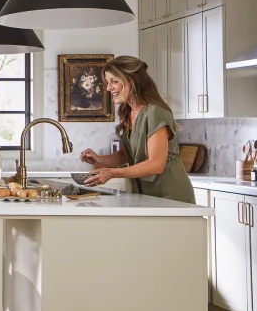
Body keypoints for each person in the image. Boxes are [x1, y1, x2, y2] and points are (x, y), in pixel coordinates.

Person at [80, 55, 195, 204]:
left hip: (171, 194)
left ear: (132, 80)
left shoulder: (155, 112)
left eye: (114, 81)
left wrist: (112, 173)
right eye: (108, 82)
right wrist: (100, 159)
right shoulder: (129, 112)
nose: (108, 88)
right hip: (147, 194)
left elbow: (156, 164)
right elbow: (127, 155)